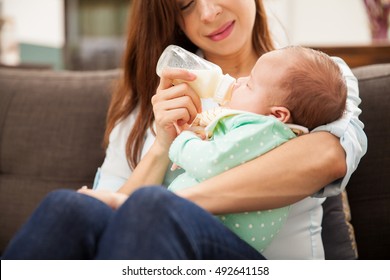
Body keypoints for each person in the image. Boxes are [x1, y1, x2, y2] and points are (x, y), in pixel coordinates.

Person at [2, 0, 366, 260]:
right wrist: (162, 144)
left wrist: (173, 203)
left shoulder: (318, 77)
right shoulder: (149, 108)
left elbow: (326, 156)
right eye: (186, 4)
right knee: (69, 206)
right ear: (174, 22)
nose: (208, 12)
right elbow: (105, 212)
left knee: (151, 207)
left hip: (255, 263)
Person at [164, 46, 347, 253]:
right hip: (206, 233)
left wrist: (184, 139)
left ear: (278, 115)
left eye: (249, 85)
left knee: (145, 205)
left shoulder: (261, 129)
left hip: (215, 240)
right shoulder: (275, 137)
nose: (239, 81)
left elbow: (210, 163)